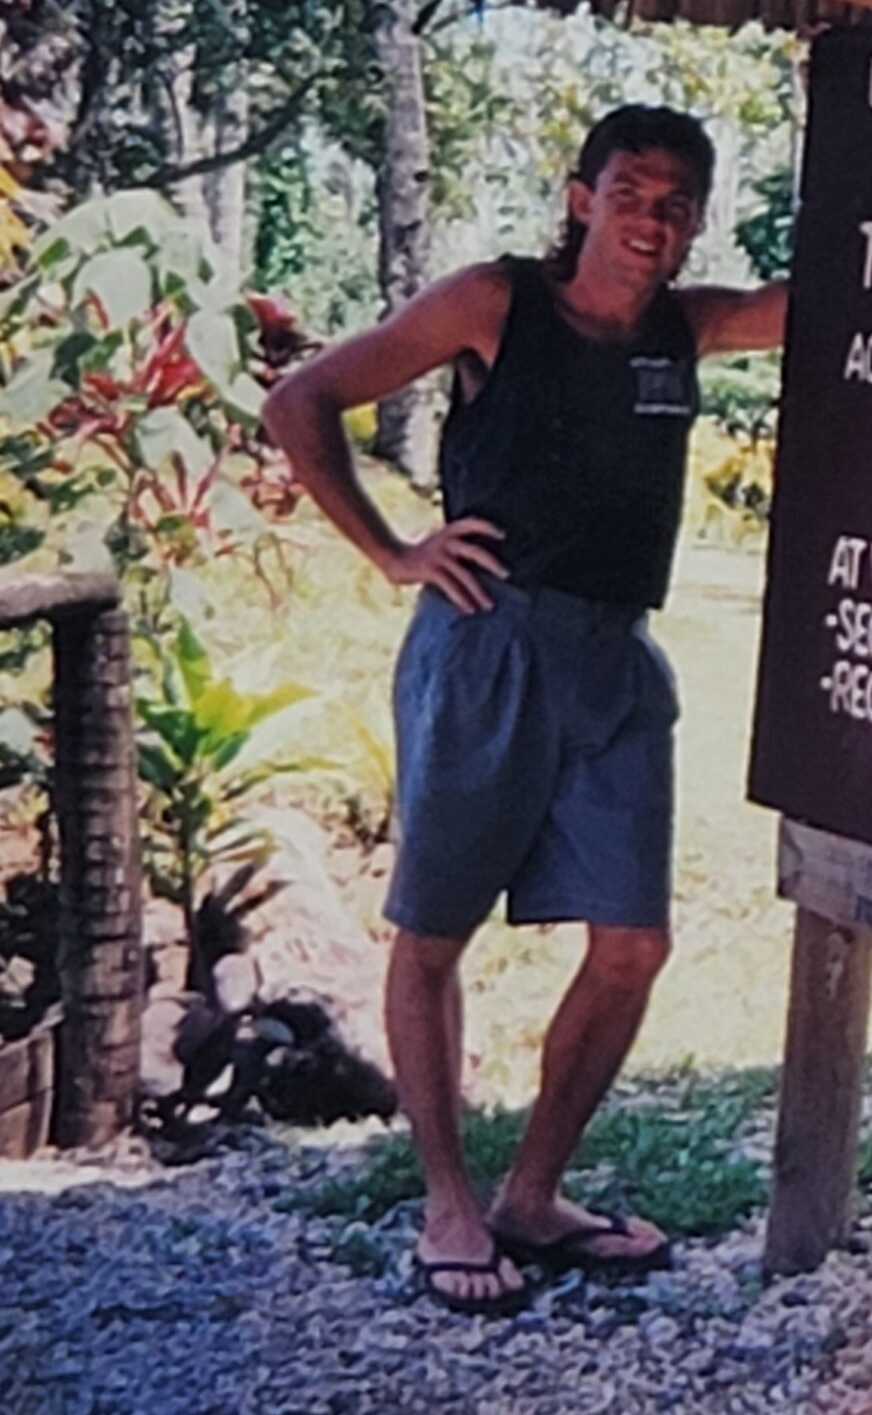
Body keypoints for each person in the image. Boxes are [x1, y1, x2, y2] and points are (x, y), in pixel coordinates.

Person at [266, 104, 787, 1314]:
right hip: (487, 643)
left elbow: (825, 302)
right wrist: (394, 549)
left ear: (697, 218)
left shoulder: (687, 327)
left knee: (633, 944)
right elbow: (302, 401)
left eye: (675, 202)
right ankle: (448, 1202)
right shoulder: (493, 303)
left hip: (617, 658)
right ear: (580, 197)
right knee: (434, 932)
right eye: (629, 193)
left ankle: (532, 1194)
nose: (650, 221)